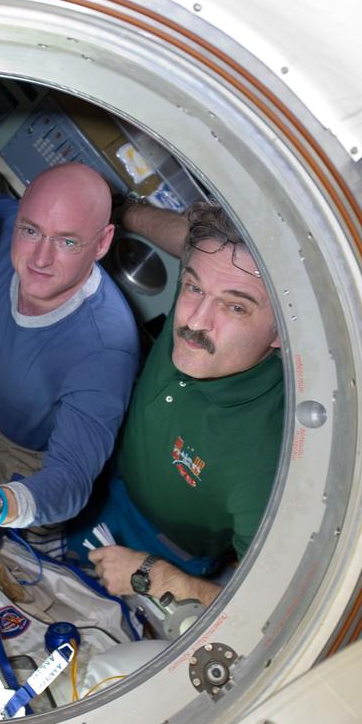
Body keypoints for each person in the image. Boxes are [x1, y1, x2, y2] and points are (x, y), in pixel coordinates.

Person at [0, 163, 140, 534]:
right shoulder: (3, 223)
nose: (39, 260)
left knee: (19, 538)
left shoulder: (105, 350)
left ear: (102, 243)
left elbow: (70, 481)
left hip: (29, 463)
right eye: (32, 231)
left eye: (67, 241)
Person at [86, 199, 284, 609]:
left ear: (284, 330)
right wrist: (123, 209)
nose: (194, 322)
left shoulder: (266, 463)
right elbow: (188, 241)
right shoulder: (216, 278)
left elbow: (268, 608)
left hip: (164, 551)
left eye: (234, 306)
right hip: (112, 482)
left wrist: (155, 576)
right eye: (193, 287)